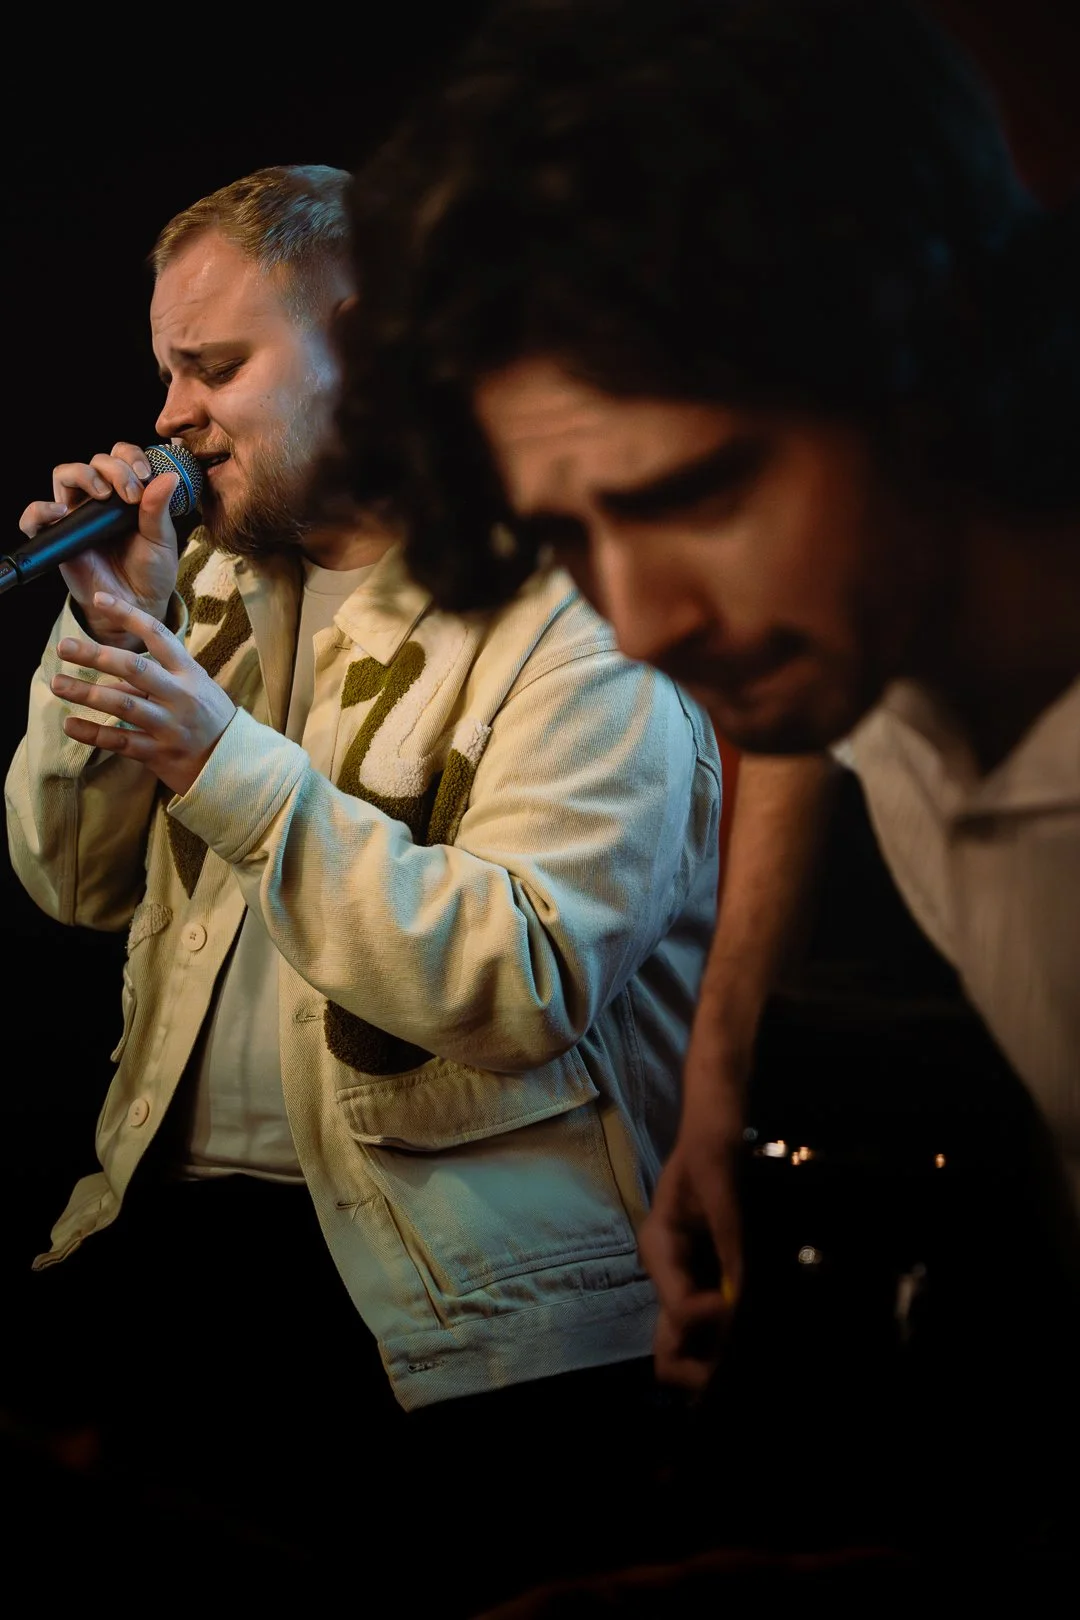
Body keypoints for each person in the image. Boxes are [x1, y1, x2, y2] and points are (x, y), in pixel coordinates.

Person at [312, 0, 1080, 1575]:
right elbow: (803, 729)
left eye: (697, 495)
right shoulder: (863, 620)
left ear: (919, 366)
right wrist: (721, 1078)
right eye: (578, 536)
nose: (646, 618)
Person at [3, 162, 723, 1603]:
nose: (166, 418)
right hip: (175, 1247)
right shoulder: (202, 585)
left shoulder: (578, 620)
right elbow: (67, 881)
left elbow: (518, 982)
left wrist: (222, 760)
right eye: (164, 371)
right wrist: (110, 635)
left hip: (454, 1315)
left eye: (214, 367)